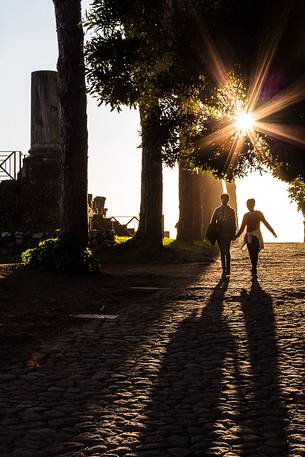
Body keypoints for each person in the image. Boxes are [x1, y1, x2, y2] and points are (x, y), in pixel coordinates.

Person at [234, 198, 277, 277]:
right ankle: (254, 267)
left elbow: (265, 223)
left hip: (255, 235)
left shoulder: (256, 214)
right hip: (250, 236)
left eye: (249, 204)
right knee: (252, 253)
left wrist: (272, 231)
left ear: (253, 205)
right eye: (247, 204)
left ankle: (254, 267)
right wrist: (236, 236)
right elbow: (242, 228)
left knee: (255, 252)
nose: (248, 206)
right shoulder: (248, 215)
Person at [210, 193, 236, 276]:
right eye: (223, 199)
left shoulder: (231, 211)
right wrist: (213, 231)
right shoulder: (217, 210)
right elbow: (212, 222)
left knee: (227, 251)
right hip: (219, 234)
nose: (224, 200)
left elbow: (233, 223)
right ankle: (224, 269)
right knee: (222, 251)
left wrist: (233, 233)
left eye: (226, 199)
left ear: (228, 200)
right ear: (221, 199)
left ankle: (228, 269)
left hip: (228, 234)